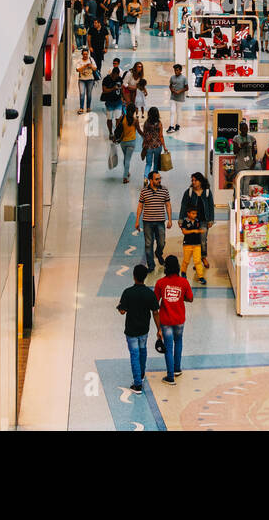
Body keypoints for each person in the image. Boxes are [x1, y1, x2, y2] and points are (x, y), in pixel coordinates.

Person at [117, 263, 160, 394]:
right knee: (143, 352)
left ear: (134, 276)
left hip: (131, 330)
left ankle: (137, 385)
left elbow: (122, 311)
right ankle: (141, 374)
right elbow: (155, 312)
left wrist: (122, 306)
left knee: (134, 355)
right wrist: (159, 329)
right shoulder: (149, 293)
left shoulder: (128, 292)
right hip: (144, 329)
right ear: (145, 277)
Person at [154, 254, 193, 384]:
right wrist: (181, 297)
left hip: (166, 320)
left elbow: (155, 302)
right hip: (180, 319)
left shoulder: (160, 283)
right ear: (177, 267)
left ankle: (170, 376)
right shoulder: (184, 282)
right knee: (179, 342)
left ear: (165, 267)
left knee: (168, 347)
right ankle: (177, 368)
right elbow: (190, 298)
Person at [136, 168, 172, 270]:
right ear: (150, 180)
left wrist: (169, 219)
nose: (159, 181)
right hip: (147, 222)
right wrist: (137, 220)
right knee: (148, 244)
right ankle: (151, 265)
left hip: (160, 221)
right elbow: (140, 206)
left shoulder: (164, 190)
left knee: (162, 242)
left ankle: (158, 253)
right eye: (157, 179)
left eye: (160, 178)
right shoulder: (144, 191)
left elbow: (168, 205)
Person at [179, 172, 214, 272]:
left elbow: (211, 206)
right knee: (194, 241)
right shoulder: (188, 192)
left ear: (201, 181)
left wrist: (211, 220)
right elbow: (184, 205)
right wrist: (181, 219)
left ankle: (203, 257)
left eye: (196, 180)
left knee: (203, 240)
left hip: (203, 221)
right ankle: (197, 260)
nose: (193, 182)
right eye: (192, 180)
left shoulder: (207, 192)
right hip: (191, 222)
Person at [116, 104, 140, 182]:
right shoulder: (135, 120)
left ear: (126, 109)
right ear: (134, 111)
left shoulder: (121, 118)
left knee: (126, 158)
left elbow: (117, 128)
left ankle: (127, 172)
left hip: (123, 142)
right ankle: (125, 177)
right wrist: (145, 136)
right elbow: (139, 131)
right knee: (128, 159)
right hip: (132, 142)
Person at [139, 105, 164, 179]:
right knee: (156, 163)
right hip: (158, 146)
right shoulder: (159, 123)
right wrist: (165, 147)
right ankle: (155, 179)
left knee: (148, 164)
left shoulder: (146, 123)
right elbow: (161, 136)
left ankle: (145, 178)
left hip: (148, 146)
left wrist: (144, 144)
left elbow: (144, 134)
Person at [101, 58, 124, 135]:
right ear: (112, 74)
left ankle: (116, 133)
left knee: (118, 118)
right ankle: (110, 132)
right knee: (109, 119)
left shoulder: (119, 79)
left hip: (118, 102)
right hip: (109, 102)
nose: (116, 78)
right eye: (115, 76)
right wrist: (113, 88)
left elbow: (122, 89)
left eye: (117, 76)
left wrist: (123, 98)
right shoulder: (106, 79)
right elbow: (104, 90)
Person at [75, 47, 97, 114]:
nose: (85, 55)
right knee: (82, 93)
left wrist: (90, 66)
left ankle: (88, 107)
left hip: (90, 79)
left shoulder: (91, 60)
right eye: (84, 54)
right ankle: (81, 108)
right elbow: (77, 69)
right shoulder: (79, 61)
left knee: (89, 94)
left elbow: (95, 68)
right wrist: (84, 66)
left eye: (86, 54)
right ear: (82, 54)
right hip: (82, 79)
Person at [168, 63, 188, 133]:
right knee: (172, 111)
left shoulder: (184, 78)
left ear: (180, 70)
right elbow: (170, 85)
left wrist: (180, 91)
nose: (175, 72)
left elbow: (187, 88)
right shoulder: (172, 77)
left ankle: (177, 125)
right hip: (172, 98)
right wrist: (172, 90)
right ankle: (171, 126)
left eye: (177, 70)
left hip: (180, 99)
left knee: (178, 112)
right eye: (175, 70)